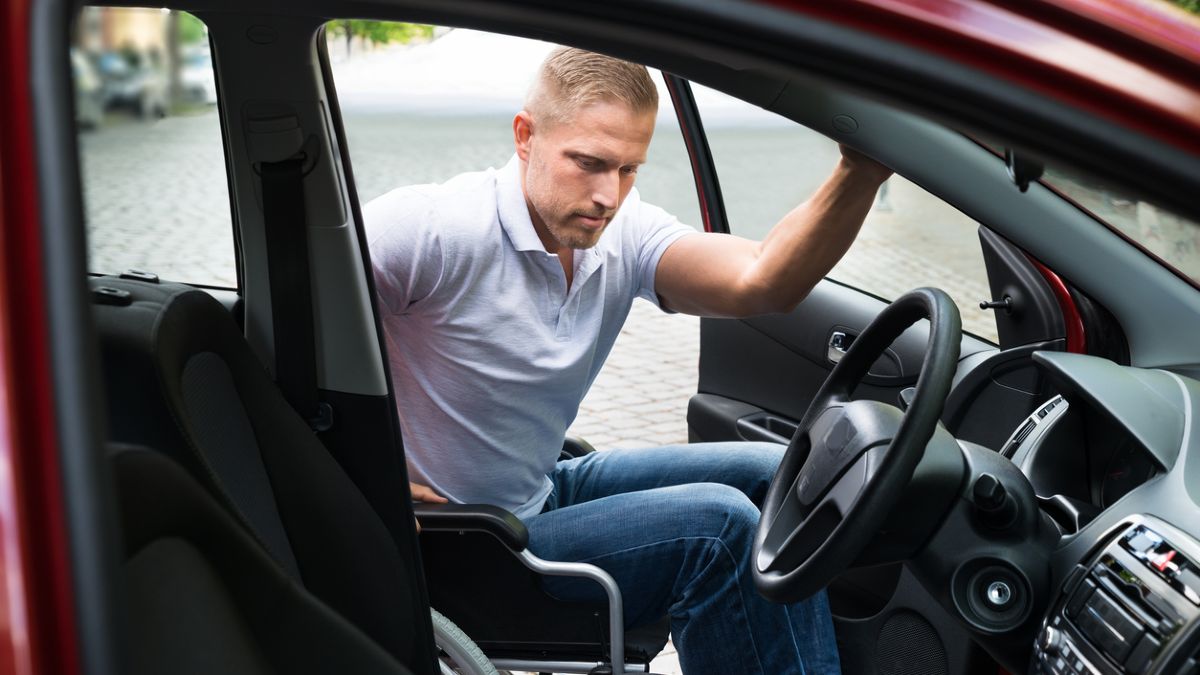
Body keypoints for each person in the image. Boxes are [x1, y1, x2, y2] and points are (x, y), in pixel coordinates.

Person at [366, 47, 891, 675]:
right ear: (525, 135)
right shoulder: (427, 229)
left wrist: (861, 169)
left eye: (628, 170)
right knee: (717, 532)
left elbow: (762, 282)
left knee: (775, 472)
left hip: (540, 490)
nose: (606, 195)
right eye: (588, 163)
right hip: (463, 546)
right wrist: (370, 474)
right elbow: (279, 342)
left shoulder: (622, 232)